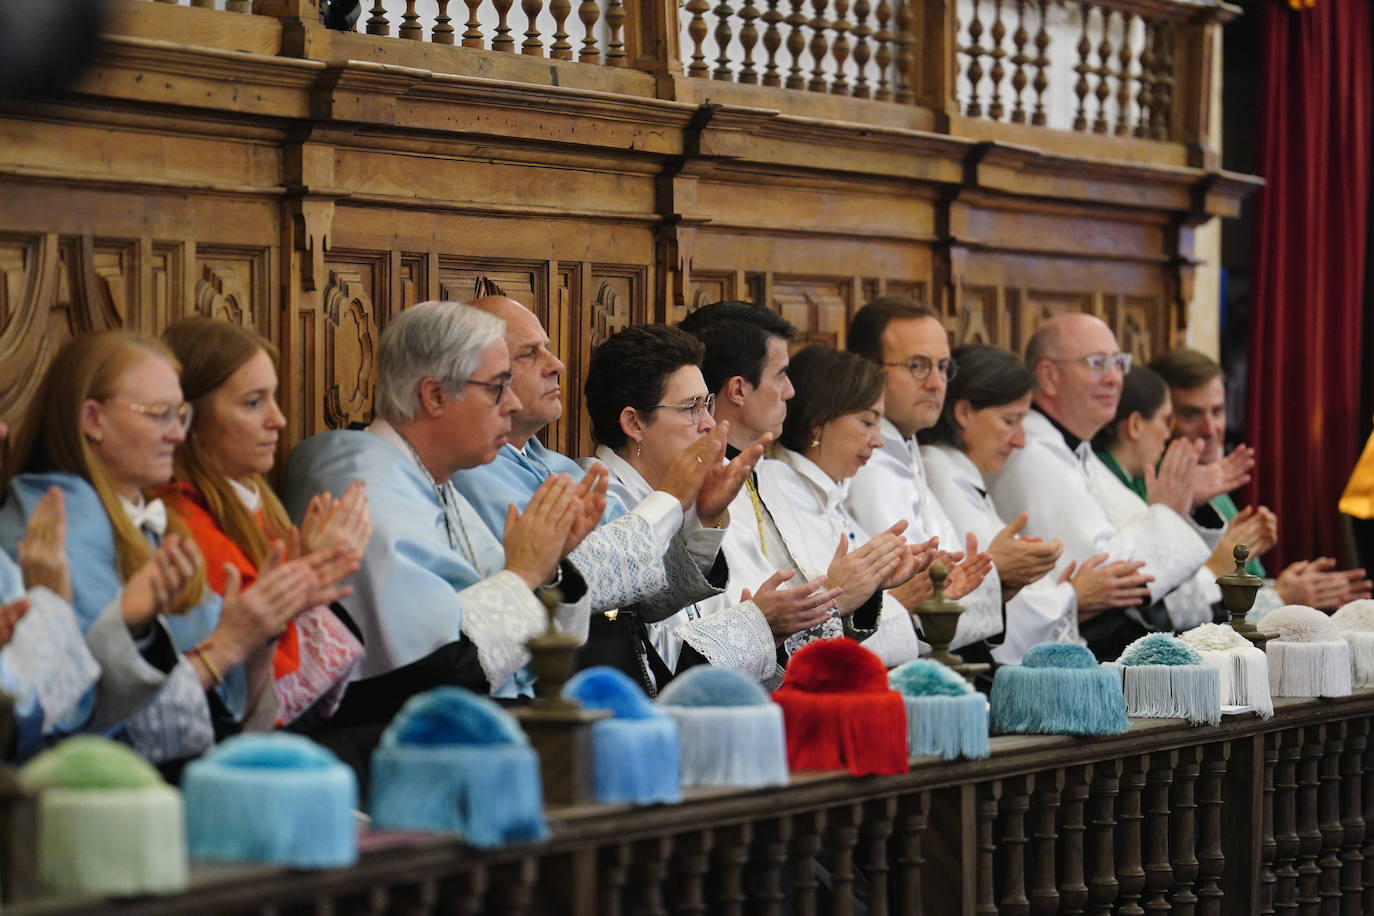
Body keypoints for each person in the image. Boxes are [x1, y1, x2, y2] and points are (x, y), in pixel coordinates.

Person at [284, 301, 606, 739]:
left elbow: (539, 662)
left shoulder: (432, 477)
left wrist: (547, 567)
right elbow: (433, 677)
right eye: (497, 387)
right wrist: (525, 573)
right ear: (434, 395)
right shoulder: (365, 490)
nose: (512, 404)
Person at [0, 331, 321, 763]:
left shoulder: (149, 521)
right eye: (159, 414)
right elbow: (90, 732)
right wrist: (225, 647)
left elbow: (233, 714)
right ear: (93, 420)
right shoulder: (55, 526)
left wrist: (264, 630)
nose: (177, 435)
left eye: (180, 415)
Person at [452, 295, 750, 621]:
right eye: (528, 354)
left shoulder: (561, 468)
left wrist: (703, 519)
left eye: (547, 348)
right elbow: (563, 593)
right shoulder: (466, 472)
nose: (556, 364)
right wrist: (673, 497)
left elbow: (649, 598)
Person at [580, 324, 840, 688]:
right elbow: (652, 663)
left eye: (707, 405)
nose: (709, 423)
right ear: (634, 423)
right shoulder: (595, 502)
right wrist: (757, 624)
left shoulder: (690, 495)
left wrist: (764, 623)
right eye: (691, 408)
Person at [680, 302, 932, 670]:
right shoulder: (694, 488)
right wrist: (837, 595)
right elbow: (734, 637)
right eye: (781, 375)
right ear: (738, 389)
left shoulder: (768, 475)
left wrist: (865, 588)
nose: (790, 391)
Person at [158, 317, 369, 728]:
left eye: (273, 398)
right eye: (253, 403)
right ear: (189, 420)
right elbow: (269, 697)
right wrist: (307, 577)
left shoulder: (251, 499)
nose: (279, 420)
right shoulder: (186, 524)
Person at [985, 313, 1217, 659]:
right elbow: (1109, 573)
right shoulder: (1032, 450)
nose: (1113, 378)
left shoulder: (1077, 447)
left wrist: (1176, 508)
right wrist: (1167, 512)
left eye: (1118, 363)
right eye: (1096, 363)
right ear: (1049, 377)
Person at [920, 344, 1152, 663]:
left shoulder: (960, 473)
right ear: (963, 413)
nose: (1019, 441)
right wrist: (1071, 596)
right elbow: (974, 590)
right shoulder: (942, 475)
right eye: (1009, 421)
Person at [754, 345, 960, 667]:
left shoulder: (830, 495)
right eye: (867, 422)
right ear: (819, 422)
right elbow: (801, 631)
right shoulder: (777, 491)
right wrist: (900, 602)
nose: (878, 440)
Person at [1149, 346, 1372, 611]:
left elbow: (1239, 590)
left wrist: (1294, 588)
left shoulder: (1214, 484)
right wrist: (1280, 597)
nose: (1210, 429)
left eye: (1217, 412)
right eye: (1191, 414)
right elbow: (1177, 614)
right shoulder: (1153, 491)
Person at [844, 298, 1006, 659]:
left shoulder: (907, 448)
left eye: (943, 367)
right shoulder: (865, 469)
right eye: (917, 366)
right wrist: (1002, 573)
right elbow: (917, 595)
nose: (936, 383)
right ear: (868, 369)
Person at [1091, 367, 1231, 630]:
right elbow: (1146, 584)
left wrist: (1190, 506)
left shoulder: (1126, 480)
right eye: (1166, 421)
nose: (1169, 434)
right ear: (1135, 425)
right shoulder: (1103, 484)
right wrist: (1212, 573)